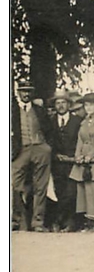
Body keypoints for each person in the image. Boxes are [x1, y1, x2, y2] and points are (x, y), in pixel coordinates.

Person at [12, 80, 53, 231]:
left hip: (40, 148)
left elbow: (50, 130)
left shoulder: (39, 110)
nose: (26, 94)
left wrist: (47, 147)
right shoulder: (11, 109)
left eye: (29, 91)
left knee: (41, 186)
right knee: (14, 185)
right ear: (18, 92)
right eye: (23, 91)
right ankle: (18, 219)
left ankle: (38, 222)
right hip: (19, 150)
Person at [69, 93, 94, 228]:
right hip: (82, 160)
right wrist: (77, 155)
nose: (88, 107)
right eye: (86, 105)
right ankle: (86, 222)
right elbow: (80, 140)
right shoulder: (84, 121)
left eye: (91, 105)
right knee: (82, 191)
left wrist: (90, 156)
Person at [48, 89, 82, 232]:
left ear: (69, 105)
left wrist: (75, 156)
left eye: (63, 102)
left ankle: (70, 221)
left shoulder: (78, 121)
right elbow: (47, 141)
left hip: (73, 162)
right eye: (58, 103)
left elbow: (82, 142)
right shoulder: (49, 121)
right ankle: (57, 221)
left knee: (71, 192)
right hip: (56, 163)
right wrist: (55, 154)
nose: (61, 105)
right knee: (58, 191)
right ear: (55, 105)